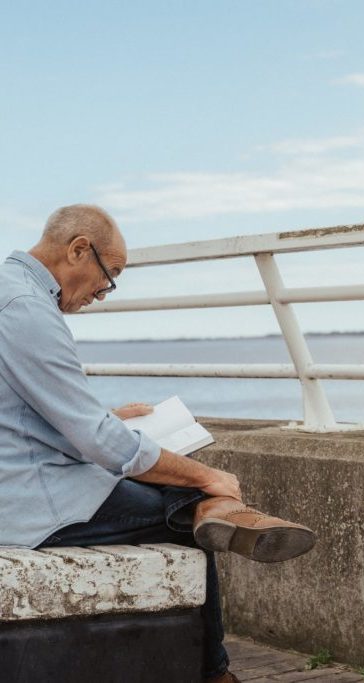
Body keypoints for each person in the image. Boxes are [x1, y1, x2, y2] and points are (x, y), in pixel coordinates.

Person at [0, 204, 316, 683]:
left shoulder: (11, 292)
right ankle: (215, 670)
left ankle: (220, 512)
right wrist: (209, 476)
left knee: (173, 494)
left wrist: (103, 416)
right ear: (78, 250)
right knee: (182, 515)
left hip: (18, 476)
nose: (103, 295)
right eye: (110, 276)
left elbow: (21, 413)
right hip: (30, 502)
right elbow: (102, 443)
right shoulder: (26, 310)